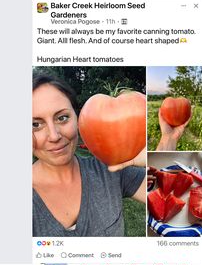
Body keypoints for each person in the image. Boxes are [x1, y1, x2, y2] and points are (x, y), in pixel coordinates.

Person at [33, 74, 146, 237]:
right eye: (35, 125)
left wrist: (160, 145)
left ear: (77, 117)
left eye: (62, 118)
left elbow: (180, 194)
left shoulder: (110, 171)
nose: (54, 136)